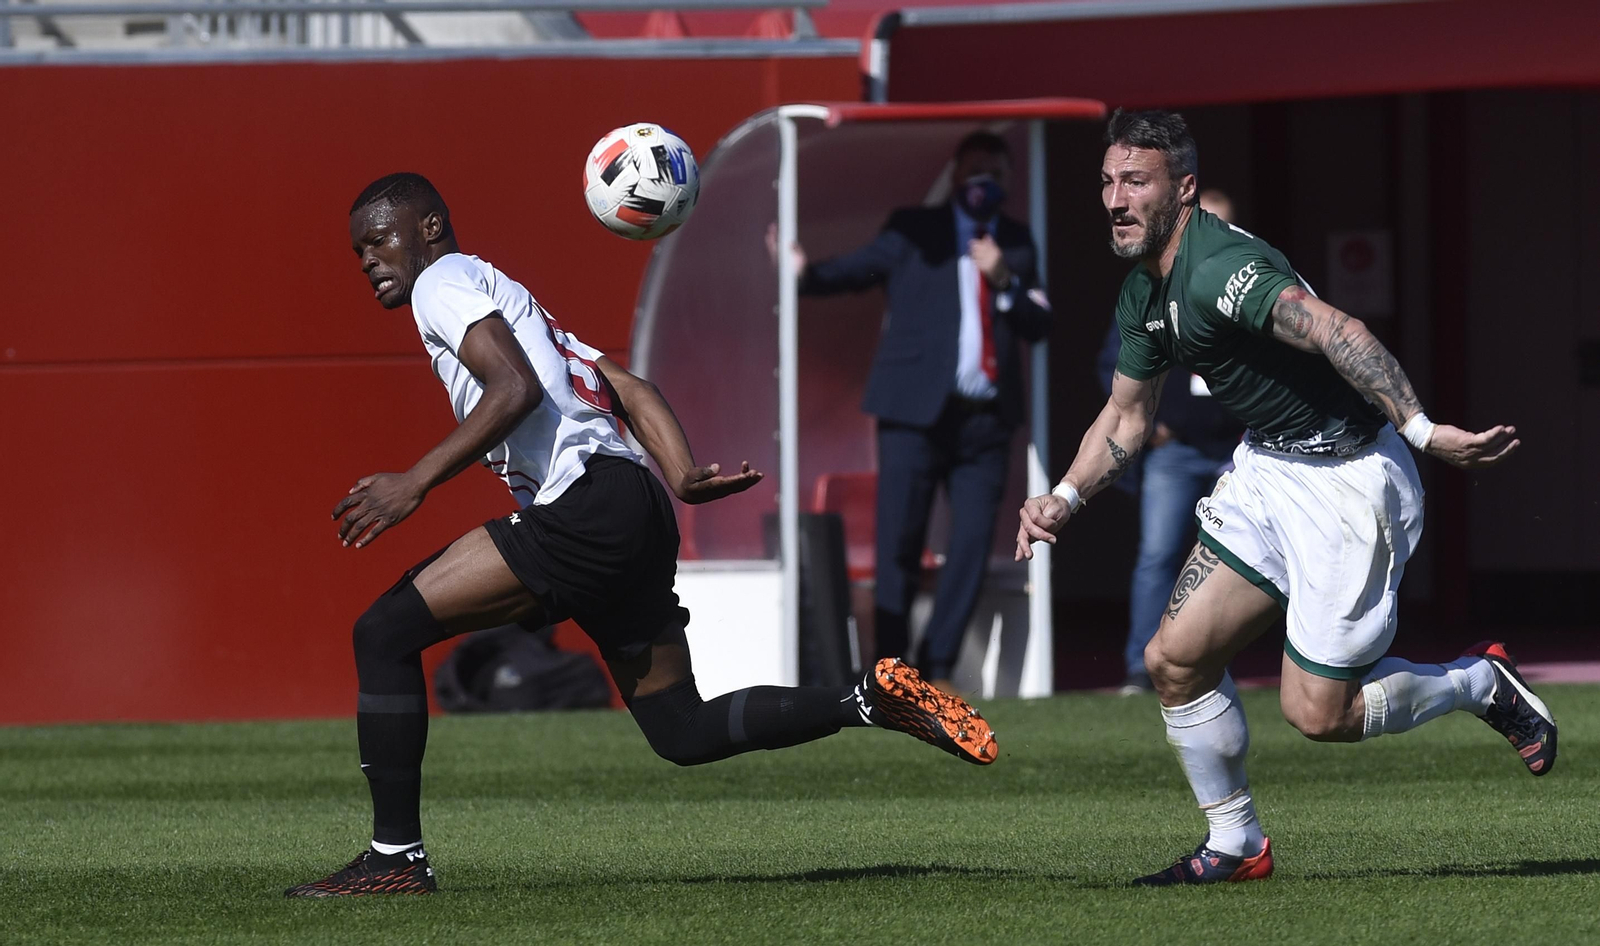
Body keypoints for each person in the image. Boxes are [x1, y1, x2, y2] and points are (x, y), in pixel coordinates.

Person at [286, 173, 998, 898]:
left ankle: (395, 858)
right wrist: (681, 474)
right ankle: (867, 700)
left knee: (383, 632)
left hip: (585, 508)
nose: (369, 259)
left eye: (379, 239)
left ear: (430, 228)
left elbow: (514, 388)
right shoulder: (515, 300)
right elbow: (631, 388)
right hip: (637, 503)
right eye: (358, 251)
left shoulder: (442, 282)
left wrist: (414, 481)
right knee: (682, 729)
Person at [1015, 111, 1554, 885]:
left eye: (1135, 181)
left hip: (1350, 481)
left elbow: (1339, 330)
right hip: (1268, 471)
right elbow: (1127, 416)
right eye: (1107, 181)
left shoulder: (1220, 268)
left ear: (1185, 188)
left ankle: (1478, 683)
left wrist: (1423, 429)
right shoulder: (1144, 291)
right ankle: (1235, 844)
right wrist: (1065, 496)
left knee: (1318, 715)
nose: (1115, 199)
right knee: (1174, 660)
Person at [777, 131, 1052, 689]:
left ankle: (938, 664)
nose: (984, 183)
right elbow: (857, 269)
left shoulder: (1016, 241)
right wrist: (802, 272)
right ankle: (892, 669)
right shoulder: (915, 229)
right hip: (912, 416)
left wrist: (1003, 277)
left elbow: (1040, 322)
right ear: (955, 174)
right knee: (899, 539)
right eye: (975, 170)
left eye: (996, 173)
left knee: (971, 544)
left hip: (984, 421)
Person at [1095, 188, 1245, 695]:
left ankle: (1220, 664)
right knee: (1158, 555)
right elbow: (1115, 367)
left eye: (1224, 227)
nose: (1213, 239)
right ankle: (1142, 667)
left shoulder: (1250, 285)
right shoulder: (1151, 288)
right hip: (1175, 451)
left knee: (1245, 560)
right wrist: (1152, 422)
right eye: (1205, 225)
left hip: (1240, 451)